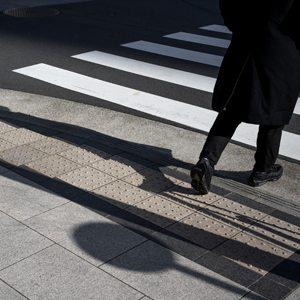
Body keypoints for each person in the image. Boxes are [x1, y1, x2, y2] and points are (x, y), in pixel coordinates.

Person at [191, 0, 300, 194]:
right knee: (274, 112)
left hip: (244, 44)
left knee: (232, 109)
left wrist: (239, 26)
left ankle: (206, 162)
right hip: (280, 48)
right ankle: (262, 170)